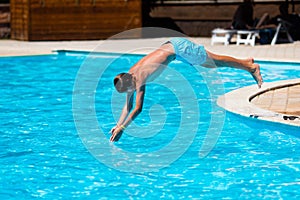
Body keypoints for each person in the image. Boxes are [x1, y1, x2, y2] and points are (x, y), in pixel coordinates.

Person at [110, 37, 263, 142]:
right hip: (174, 49)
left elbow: (137, 108)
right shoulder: (129, 76)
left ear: (130, 81)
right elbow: (127, 106)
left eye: (128, 90)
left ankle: (250, 67)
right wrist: (118, 125)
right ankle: (246, 63)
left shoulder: (140, 76)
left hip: (180, 48)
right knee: (212, 63)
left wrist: (123, 128)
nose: (129, 92)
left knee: (215, 62)